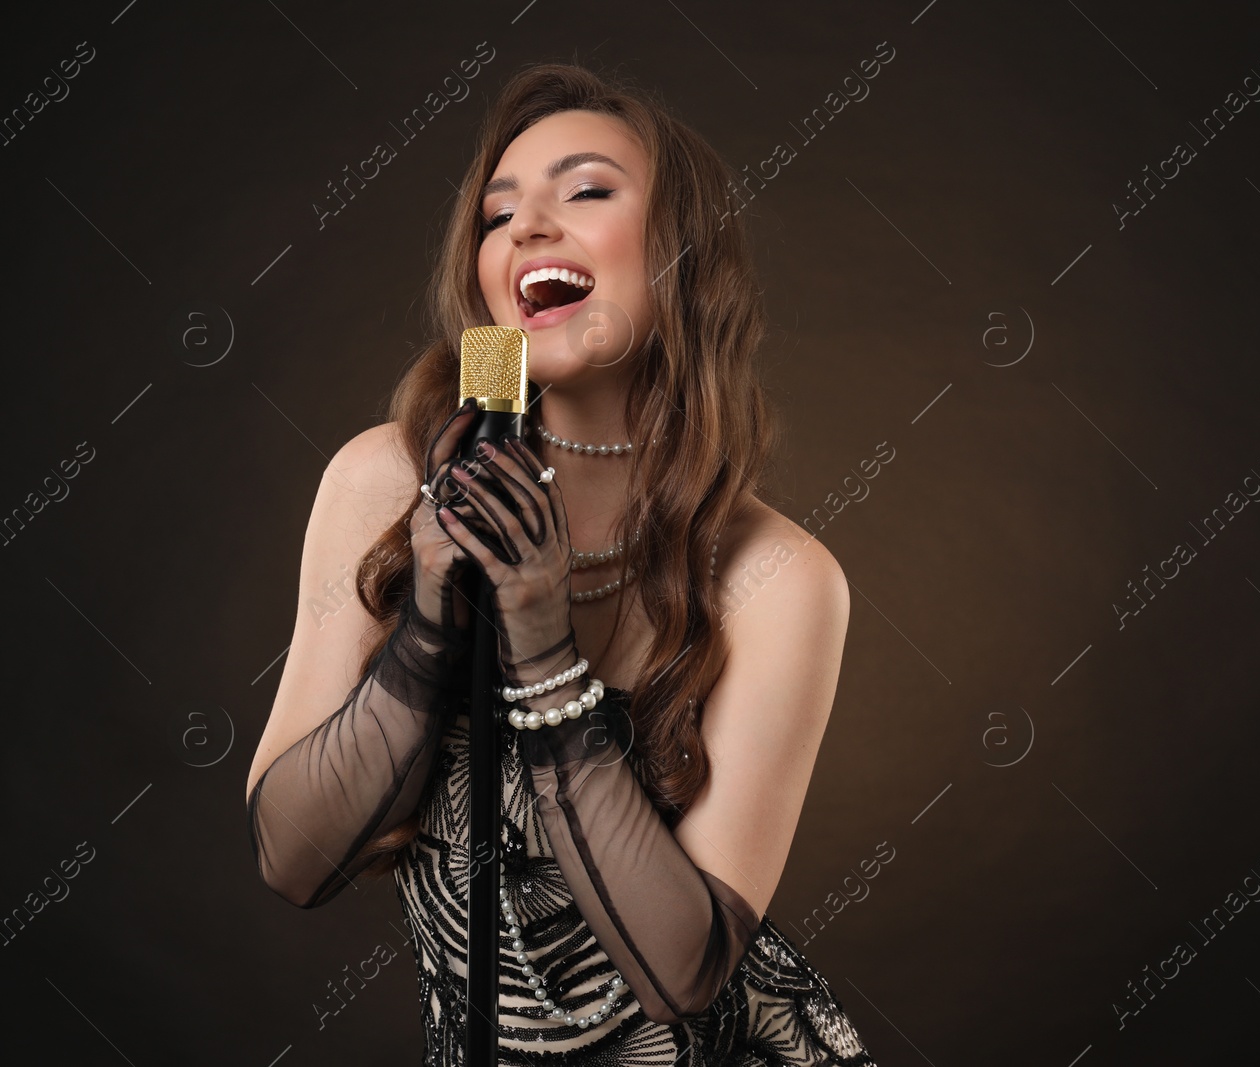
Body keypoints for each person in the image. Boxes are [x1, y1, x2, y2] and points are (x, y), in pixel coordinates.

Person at [244, 62, 877, 1064]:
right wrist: (430, 630)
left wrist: (543, 651)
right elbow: (291, 857)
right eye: (499, 214)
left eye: (585, 190)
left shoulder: (782, 576)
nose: (527, 226)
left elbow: (684, 969)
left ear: (680, 259)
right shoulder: (382, 483)